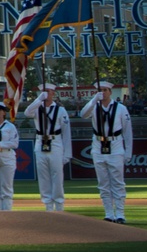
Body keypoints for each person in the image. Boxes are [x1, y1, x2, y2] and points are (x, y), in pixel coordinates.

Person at [81, 80, 133, 223]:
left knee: (117, 181)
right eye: (100, 90)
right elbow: (83, 114)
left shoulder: (120, 108)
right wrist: (93, 100)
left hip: (115, 144)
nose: (102, 93)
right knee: (103, 182)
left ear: (110, 92)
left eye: (105, 90)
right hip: (98, 144)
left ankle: (120, 213)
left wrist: (128, 151)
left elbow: (127, 131)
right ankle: (109, 212)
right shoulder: (94, 106)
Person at [22, 83, 71, 211]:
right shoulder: (37, 108)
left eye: (49, 91)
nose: (47, 94)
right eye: (44, 91)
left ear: (53, 93)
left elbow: (66, 133)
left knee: (57, 175)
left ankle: (59, 205)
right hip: (40, 142)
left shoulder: (60, 110)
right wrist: (38, 99)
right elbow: (27, 113)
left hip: (55, 143)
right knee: (43, 176)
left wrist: (67, 153)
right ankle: (48, 205)